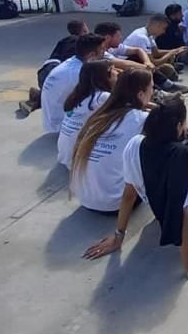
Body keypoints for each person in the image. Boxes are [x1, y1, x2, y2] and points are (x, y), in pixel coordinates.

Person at [83, 98, 188, 287]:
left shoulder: (135, 145)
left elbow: (129, 194)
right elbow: (182, 213)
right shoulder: (180, 156)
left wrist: (118, 235)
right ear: (178, 126)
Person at [68, 69, 153, 212]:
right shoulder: (142, 119)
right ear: (140, 94)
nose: (153, 91)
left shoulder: (100, 117)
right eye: (152, 87)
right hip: (116, 204)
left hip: (86, 200)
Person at [19, 20, 88, 115]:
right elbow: (69, 62)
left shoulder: (65, 40)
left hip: (46, 70)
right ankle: (39, 97)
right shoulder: (76, 41)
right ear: (83, 30)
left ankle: (39, 96)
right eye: (86, 29)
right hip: (52, 70)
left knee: (58, 95)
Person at [57, 60, 117, 168]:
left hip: (65, 154)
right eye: (113, 70)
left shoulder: (78, 95)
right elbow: (128, 111)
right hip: (78, 162)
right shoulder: (102, 97)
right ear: (105, 76)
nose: (117, 72)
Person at [40, 33, 106, 133]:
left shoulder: (72, 62)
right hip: (62, 126)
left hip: (52, 121)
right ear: (91, 55)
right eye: (102, 50)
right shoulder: (80, 72)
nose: (104, 53)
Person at [123, 14, 188, 72]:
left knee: (167, 66)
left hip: (136, 61)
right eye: (164, 28)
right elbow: (153, 62)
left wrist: (176, 50)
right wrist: (170, 54)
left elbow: (156, 53)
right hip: (127, 63)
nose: (164, 32)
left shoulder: (148, 35)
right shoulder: (142, 37)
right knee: (165, 68)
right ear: (157, 25)